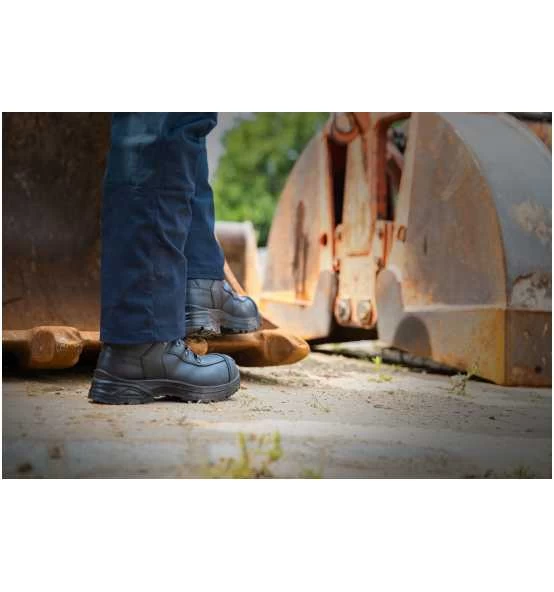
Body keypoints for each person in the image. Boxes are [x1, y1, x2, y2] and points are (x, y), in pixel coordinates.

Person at [88, 113, 260, 405]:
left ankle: (198, 281)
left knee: (184, 120)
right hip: (139, 332)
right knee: (159, 122)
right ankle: (142, 338)